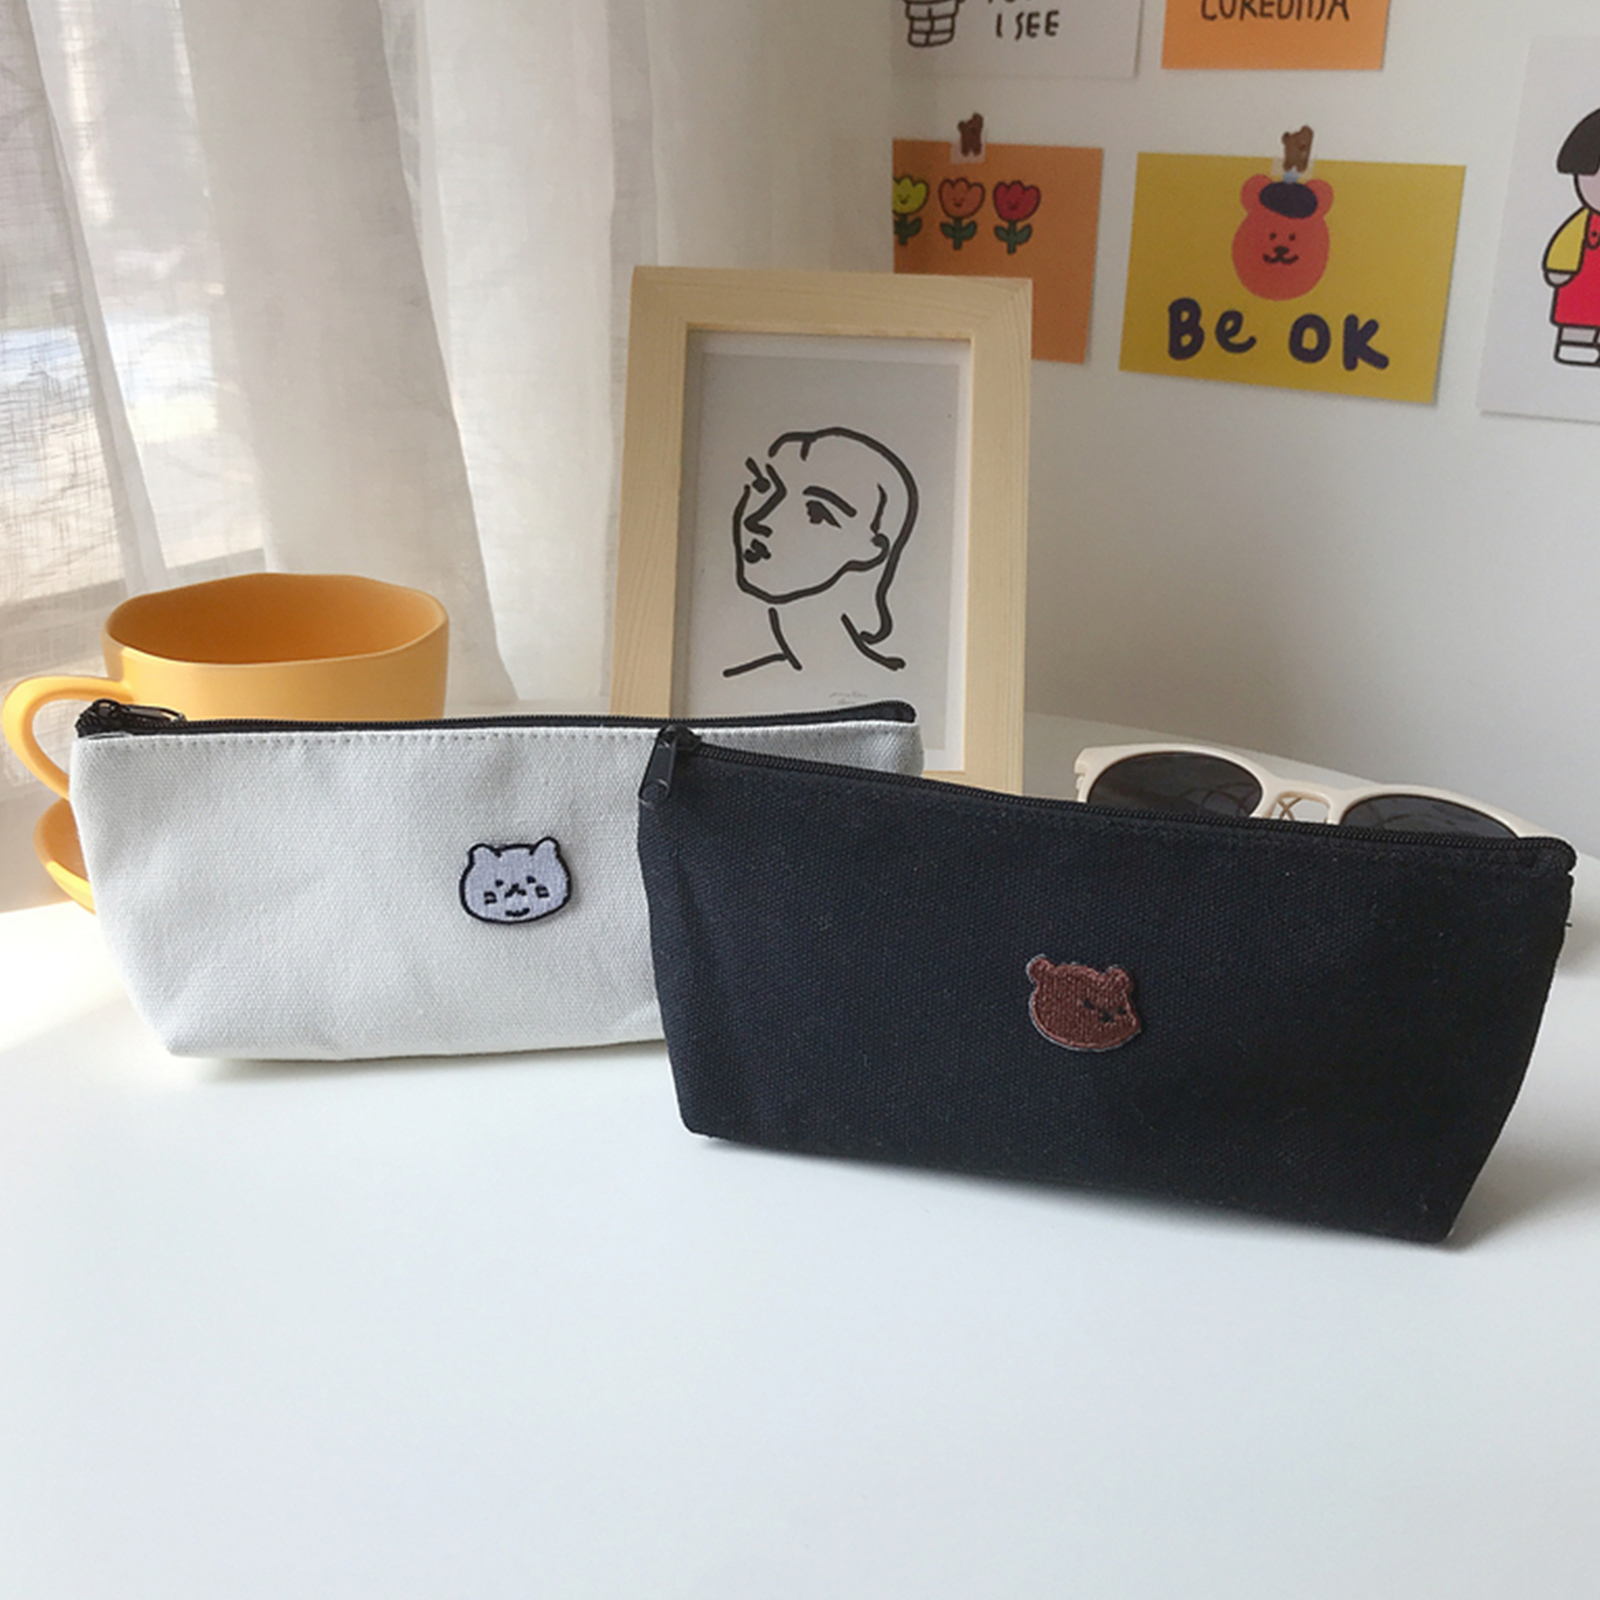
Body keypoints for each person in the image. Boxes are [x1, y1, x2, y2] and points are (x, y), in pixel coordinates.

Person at [724, 426, 919, 678]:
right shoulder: (740, 677)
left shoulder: (873, 684)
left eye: (815, 512)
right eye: (765, 487)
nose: (759, 519)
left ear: (872, 550)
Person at [1544, 108, 1600, 366]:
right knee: (1579, 316)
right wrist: (1558, 268)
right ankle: (1575, 344)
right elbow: (1566, 243)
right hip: (1583, 282)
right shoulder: (1582, 223)